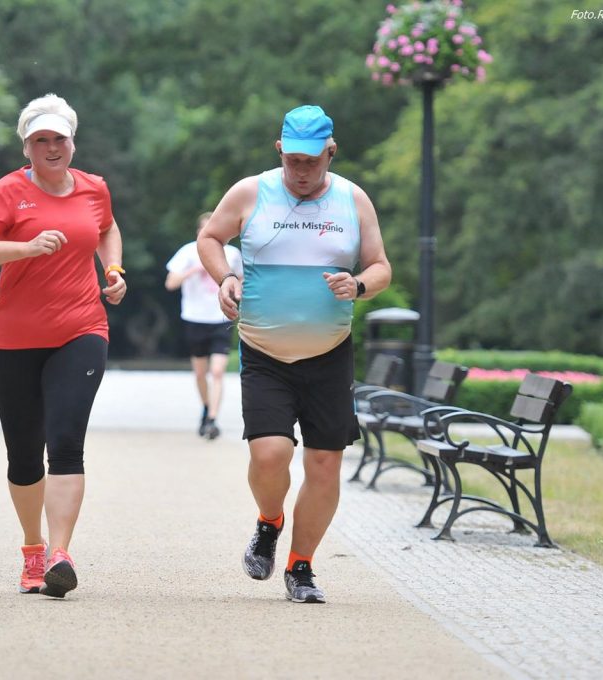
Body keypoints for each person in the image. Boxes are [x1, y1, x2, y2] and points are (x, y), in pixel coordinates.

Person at [197, 105, 392, 603]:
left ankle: (300, 567)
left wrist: (359, 284)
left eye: (312, 161)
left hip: (330, 353)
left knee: (324, 464)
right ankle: (269, 521)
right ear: (280, 149)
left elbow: (380, 266)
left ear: (332, 152)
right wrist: (225, 277)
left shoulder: (353, 199)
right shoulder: (251, 192)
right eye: (293, 160)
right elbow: (210, 237)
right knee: (270, 454)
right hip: (264, 351)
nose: (301, 171)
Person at [0, 93, 126, 599]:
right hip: (14, 339)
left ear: (73, 141)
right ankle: (33, 549)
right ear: (26, 147)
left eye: (59, 138)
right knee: (24, 455)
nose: (51, 148)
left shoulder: (94, 188)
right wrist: (26, 248)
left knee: (67, 441)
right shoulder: (6, 193)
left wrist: (113, 269)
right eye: (40, 140)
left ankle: (60, 554)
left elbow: (107, 228)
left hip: (81, 329)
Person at [164, 212, 243, 440]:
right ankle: (207, 407)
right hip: (195, 318)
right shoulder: (188, 252)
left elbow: (241, 279)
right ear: (199, 231)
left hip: (222, 318)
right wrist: (193, 270)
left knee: (217, 372)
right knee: (200, 372)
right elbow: (170, 283)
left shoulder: (232, 253)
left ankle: (212, 420)